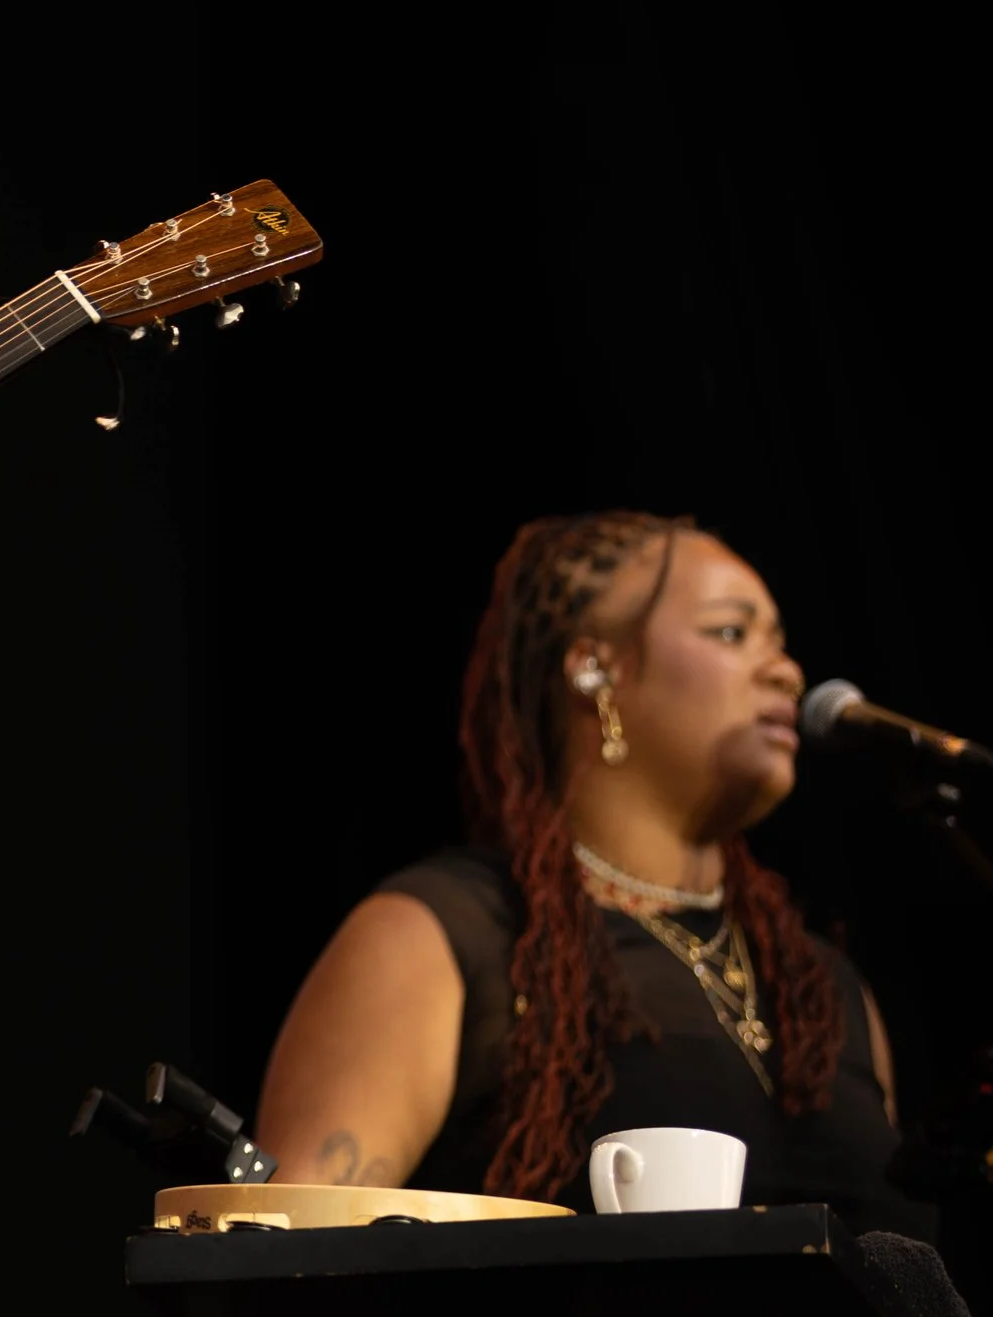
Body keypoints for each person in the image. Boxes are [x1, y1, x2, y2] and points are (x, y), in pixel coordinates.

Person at [254, 511, 928, 1234]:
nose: (787, 671)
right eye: (731, 632)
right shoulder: (444, 934)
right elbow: (284, 1264)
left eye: (782, 643)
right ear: (593, 667)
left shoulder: (826, 990)